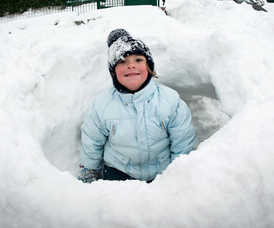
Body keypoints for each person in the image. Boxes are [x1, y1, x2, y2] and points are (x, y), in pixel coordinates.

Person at [78, 29, 196, 183]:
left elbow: (182, 141)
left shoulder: (170, 101)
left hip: (161, 172)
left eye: (138, 60)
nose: (131, 66)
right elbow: (92, 140)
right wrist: (90, 168)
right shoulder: (102, 104)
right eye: (122, 61)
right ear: (113, 72)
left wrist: (178, 171)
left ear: (149, 67)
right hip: (118, 171)